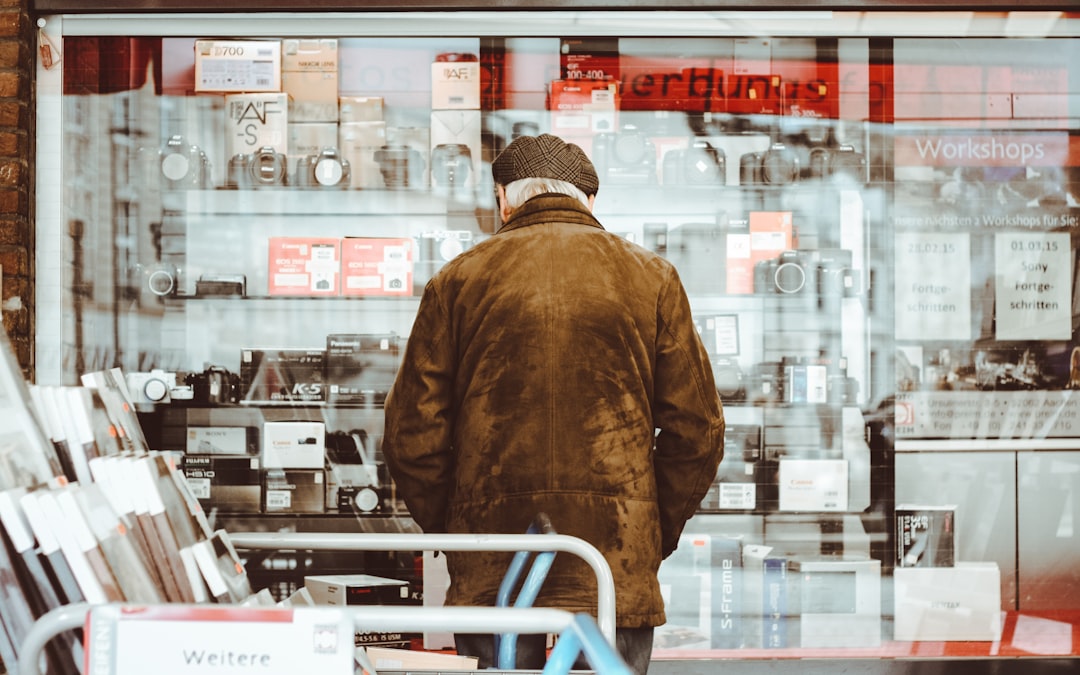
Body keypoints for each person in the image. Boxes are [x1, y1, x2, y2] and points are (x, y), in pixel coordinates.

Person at [381, 133, 725, 674]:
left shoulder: (457, 280)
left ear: (503, 200)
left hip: (495, 566)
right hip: (613, 564)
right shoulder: (652, 277)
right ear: (589, 200)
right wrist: (649, 529)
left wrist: (459, 530)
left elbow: (410, 440)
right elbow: (698, 432)